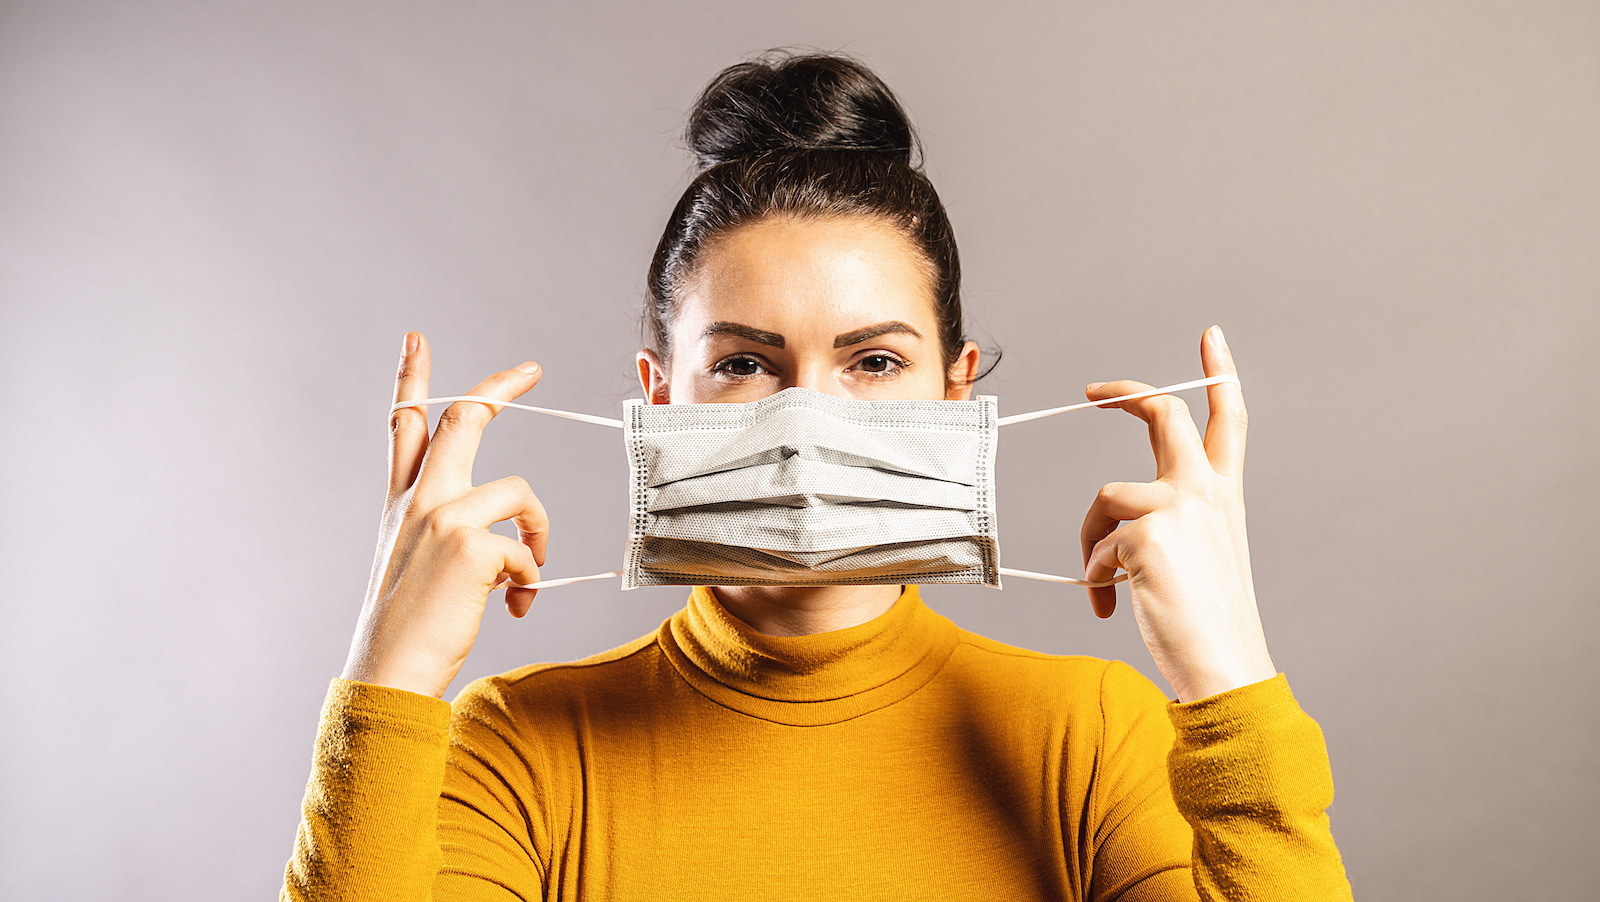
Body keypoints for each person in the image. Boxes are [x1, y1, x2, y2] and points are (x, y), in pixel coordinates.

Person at [284, 52, 1351, 900]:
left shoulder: (1094, 736)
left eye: (873, 361)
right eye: (745, 362)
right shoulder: (520, 744)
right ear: (661, 398)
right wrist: (387, 678)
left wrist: (1233, 684)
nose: (807, 420)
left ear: (954, 389)